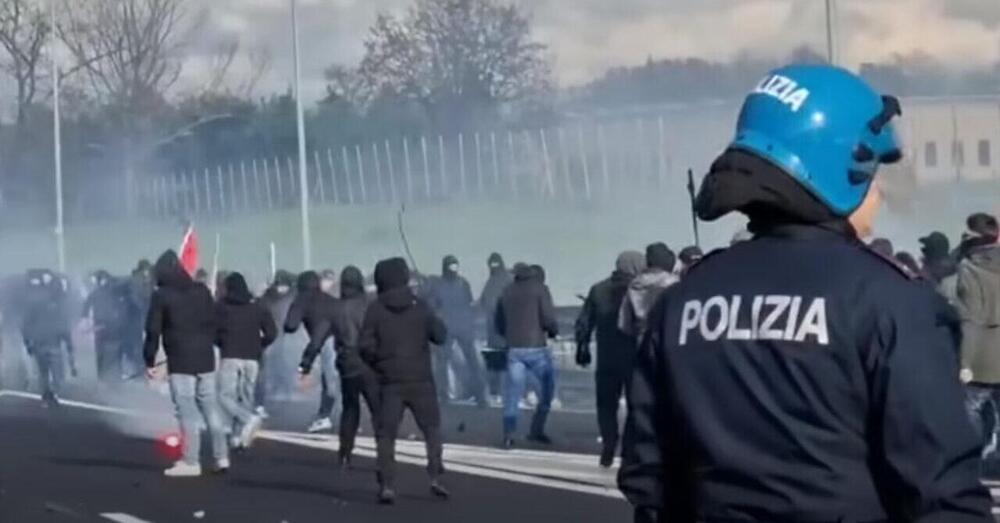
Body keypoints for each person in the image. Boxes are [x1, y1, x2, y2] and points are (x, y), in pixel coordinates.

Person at [619, 64, 992, 522]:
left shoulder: (683, 301)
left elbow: (647, 476)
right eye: (871, 173)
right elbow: (944, 496)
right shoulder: (893, 303)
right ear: (840, 168)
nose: (877, 194)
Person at [360, 257, 449, 504]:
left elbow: (364, 346)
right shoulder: (419, 305)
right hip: (421, 379)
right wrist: (432, 311)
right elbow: (440, 336)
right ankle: (435, 476)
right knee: (431, 429)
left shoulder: (375, 309)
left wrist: (380, 364)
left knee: (386, 433)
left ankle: (387, 484)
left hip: (390, 382)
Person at [144, 250, 229, 478]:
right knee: (210, 406)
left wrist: (149, 359)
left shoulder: (162, 295)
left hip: (181, 359)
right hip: (205, 357)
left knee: (186, 409)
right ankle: (221, 456)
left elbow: (153, 330)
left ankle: (191, 460)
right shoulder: (201, 291)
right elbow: (214, 322)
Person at [299, 266, 378, 467]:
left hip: (347, 362)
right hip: (370, 362)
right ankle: (384, 454)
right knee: (378, 409)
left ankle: (345, 453)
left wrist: (305, 363)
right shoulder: (370, 305)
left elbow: (318, 338)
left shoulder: (336, 309)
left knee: (350, 409)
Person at [575, 251, 645, 467]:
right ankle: (629, 449)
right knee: (636, 405)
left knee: (606, 404)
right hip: (634, 357)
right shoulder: (639, 290)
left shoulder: (598, 289)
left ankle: (608, 444)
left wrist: (583, 347)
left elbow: (584, 323)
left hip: (606, 356)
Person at [496, 263, 558, 449]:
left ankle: (508, 435)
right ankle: (536, 430)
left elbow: (499, 322)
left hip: (514, 349)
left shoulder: (506, 291)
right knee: (547, 390)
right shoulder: (540, 289)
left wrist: (508, 336)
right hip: (536, 348)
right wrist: (553, 332)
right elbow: (548, 318)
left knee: (513, 394)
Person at [955, 212, 1000, 459]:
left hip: (981, 357)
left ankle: (972, 459)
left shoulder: (970, 268)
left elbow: (970, 319)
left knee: (971, 408)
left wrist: (965, 362)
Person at [215, 272, 276, 451]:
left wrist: (221, 342)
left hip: (230, 356)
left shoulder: (221, 307)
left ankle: (247, 419)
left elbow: (211, 330)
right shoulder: (258, 306)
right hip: (252, 359)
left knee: (225, 397)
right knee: (246, 397)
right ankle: (238, 436)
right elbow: (272, 332)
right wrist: (260, 345)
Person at [285, 271, 340, 433]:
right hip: (345, 338)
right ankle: (329, 415)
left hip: (326, 341)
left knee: (330, 380)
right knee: (336, 379)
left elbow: (290, 325)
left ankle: (324, 416)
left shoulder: (302, 300)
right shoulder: (330, 299)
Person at [427, 255, 486, 406]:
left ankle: (444, 395)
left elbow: (432, 305)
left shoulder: (438, 285)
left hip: (447, 327)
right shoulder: (463, 283)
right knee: (472, 362)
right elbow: (469, 302)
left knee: (443, 363)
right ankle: (480, 395)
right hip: (464, 327)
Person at [21, 269, 75, 407]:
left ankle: (46, 396)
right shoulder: (56, 304)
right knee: (56, 371)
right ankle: (56, 393)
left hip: (39, 341)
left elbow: (25, 324)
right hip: (53, 340)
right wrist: (68, 343)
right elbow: (63, 324)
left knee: (43, 372)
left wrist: (28, 343)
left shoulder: (31, 302)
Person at [618, 243, 679, 341]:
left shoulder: (634, 285)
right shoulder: (675, 284)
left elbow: (624, 325)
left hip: (644, 342)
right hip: (671, 339)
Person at [82, 270, 130, 384]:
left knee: (102, 353)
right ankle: (115, 377)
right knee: (115, 352)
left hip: (102, 327)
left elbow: (85, 310)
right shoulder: (116, 291)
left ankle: (103, 378)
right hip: (115, 327)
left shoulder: (96, 292)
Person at [257, 270, 296, 405]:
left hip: (288, 337)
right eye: (279, 285)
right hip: (271, 335)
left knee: (287, 364)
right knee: (270, 364)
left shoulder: (292, 297)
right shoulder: (267, 298)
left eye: (284, 285)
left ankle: (286, 389)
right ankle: (272, 389)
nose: (281, 288)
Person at [478, 252, 513, 401]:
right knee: (495, 360)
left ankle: (504, 391)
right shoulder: (491, 281)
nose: (493, 267)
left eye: (495, 264)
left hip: (505, 328)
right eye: (491, 264)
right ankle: (495, 392)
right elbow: (483, 301)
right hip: (493, 328)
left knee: (506, 360)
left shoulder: (509, 279)